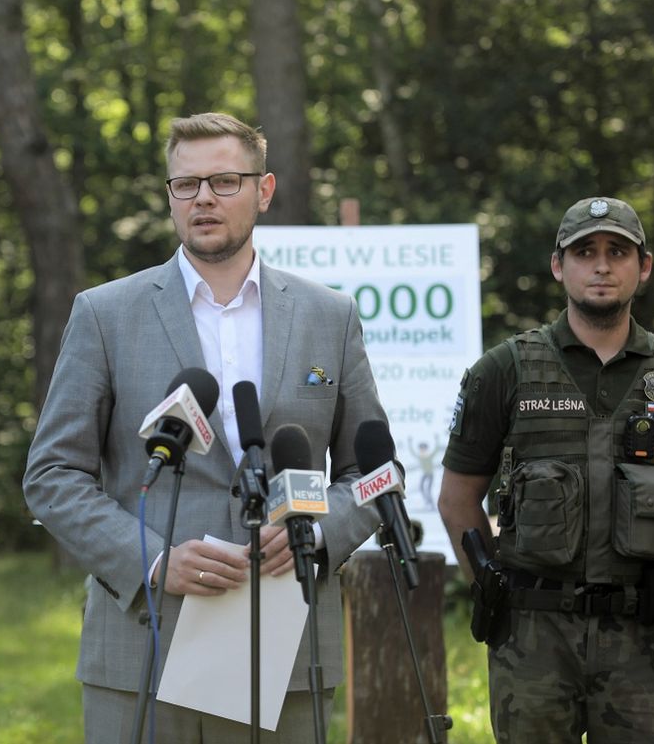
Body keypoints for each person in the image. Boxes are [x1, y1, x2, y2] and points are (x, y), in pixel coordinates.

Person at [23, 112, 388, 743]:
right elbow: (53, 475)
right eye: (185, 185)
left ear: (263, 190)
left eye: (224, 181)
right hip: (144, 648)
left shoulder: (329, 315)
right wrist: (154, 559)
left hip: (286, 645)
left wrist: (318, 530)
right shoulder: (105, 313)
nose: (204, 199)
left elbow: (375, 471)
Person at [438, 197, 654, 743]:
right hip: (534, 640)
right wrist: (493, 589)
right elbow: (457, 498)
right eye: (584, 251)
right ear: (558, 265)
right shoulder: (504, 369)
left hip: (647, 642)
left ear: (643, 267)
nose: (601, 265)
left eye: (617, 252)